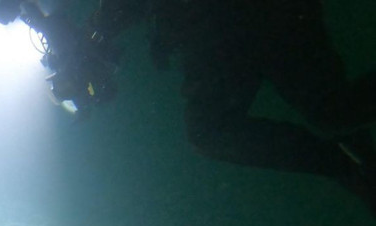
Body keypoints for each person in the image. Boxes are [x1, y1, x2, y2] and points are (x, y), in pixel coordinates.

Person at [85, 0, 376, 213]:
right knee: (333, 107)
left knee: (210, 130)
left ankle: (346, 164)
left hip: (228, 30)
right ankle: (348, 163)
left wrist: (96, 30)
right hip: (257, 22)